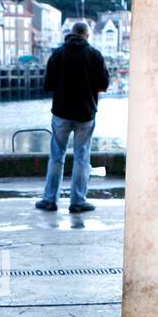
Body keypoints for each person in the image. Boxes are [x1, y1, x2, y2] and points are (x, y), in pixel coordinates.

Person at [37, 20, 110, 213]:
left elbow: (47, 85)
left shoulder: (58, 54)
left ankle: (49, 199)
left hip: (61, 112)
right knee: (81, 158)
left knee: (56, 156)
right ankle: (77, 201)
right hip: (85, 114)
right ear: (86, 35)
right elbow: (104, 85)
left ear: (71, 34)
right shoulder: (94, 55)